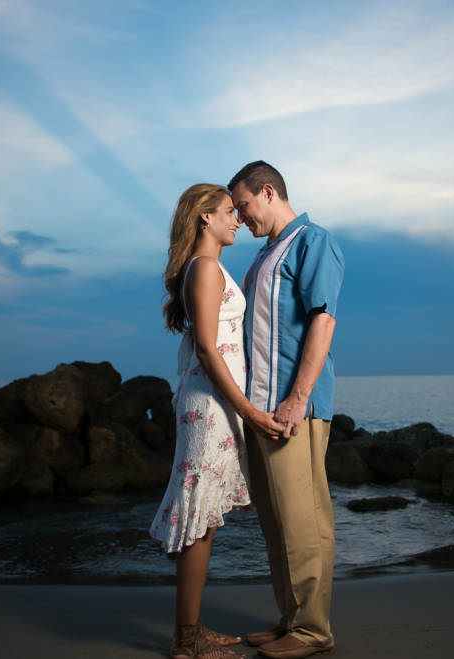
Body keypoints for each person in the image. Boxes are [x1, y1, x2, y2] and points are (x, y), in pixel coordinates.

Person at [149, 183, 286, 659]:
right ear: (203, 218)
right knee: (199, 519)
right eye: (228, 212)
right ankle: (186, 641)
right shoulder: (205, 268)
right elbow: (208, 348)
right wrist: (248, 410)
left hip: (212, 404)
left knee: (204, 520)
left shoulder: (209, 268)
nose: (236, 220)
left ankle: (189, 632)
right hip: (211, 407)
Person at [229, 161, 345, 659]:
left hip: (293, 407)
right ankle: (291, 620)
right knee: (276, 523)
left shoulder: (312, 241)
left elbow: (323, 320)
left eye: (244, 206)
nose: (241, 216)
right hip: (259, 410)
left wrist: (298, 398)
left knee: (304, 520)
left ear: (269, 191)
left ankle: (315, 631)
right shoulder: (263, 256)